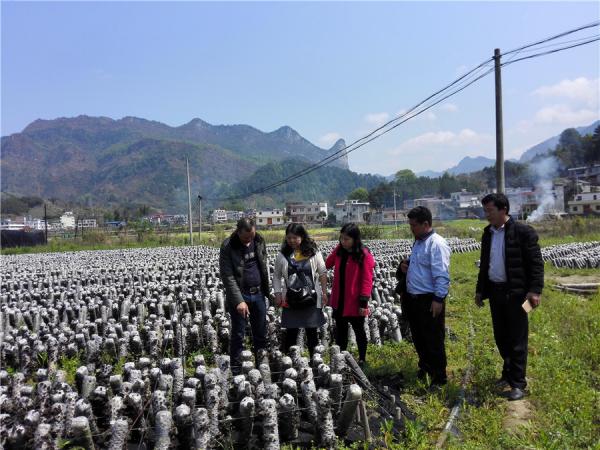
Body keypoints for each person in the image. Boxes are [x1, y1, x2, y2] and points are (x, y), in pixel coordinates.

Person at [475, 193, 543, 401]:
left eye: (490, 211)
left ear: (503, 209)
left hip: (518, 294)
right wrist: (480, 290)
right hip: (496, 292)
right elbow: (485, 264)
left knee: (518, 338)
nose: (487, 215)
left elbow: (536, 264)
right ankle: (507, 373)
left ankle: (518, 383)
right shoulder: (488, 234)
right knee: (501, 336)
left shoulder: (523, 232)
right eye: (485, 211)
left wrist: (535, 291)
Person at [399, 206, 450, 386]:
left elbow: (441, 275)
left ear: (425, 224)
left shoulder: (436, 244)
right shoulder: (419, 242)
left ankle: (439, 376)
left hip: (429, 299)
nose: (411, 228)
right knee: (419, 337)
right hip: (414, 300)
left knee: (433, 339)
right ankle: (425, 367)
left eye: (414, 225)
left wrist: (438, 300)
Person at [219, 218, 270, 374]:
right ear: (238, 231)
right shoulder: (228, 246)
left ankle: (262, 368)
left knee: (261, 333)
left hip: (258, 293)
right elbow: (227, 276)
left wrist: (267, 291)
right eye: (246, 237)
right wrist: (239, 301)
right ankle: (236, 370)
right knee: (238, 334)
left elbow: (263, 265)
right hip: (241, 296)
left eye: (252, 235)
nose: (250, 239)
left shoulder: (259, 240)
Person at [273, 223, 328, 359]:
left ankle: (314, 362)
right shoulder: (282, 255)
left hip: (311, 299)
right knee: (291, 333)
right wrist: (278, 294)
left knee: (312, 333)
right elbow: (276, 276)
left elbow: (322, 273)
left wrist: (325, 293)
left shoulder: (314, 252)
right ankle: (291, 363)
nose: (291, 241)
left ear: (302, 237)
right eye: (289, 238)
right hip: (290, 299)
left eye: (295, 237)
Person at [325, 223, 375, 366]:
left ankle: (362, 359)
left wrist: (363, 303)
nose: (343, 242)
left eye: (346, 239)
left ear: (355, 239)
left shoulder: (364, 254)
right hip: (340, 300)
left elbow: (367, 280)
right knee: (340, 331)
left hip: (354, 301)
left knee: (359, 331)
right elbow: (328, 264)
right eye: (341, 238)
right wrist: (336, 249)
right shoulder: (340, 251)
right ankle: (341, 360)